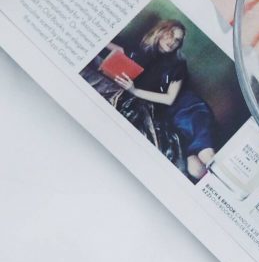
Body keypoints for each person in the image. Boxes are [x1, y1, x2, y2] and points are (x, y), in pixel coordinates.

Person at [85, 19, 217, 181]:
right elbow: (116, 48)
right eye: (170, 35)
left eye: (177, 40)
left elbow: (169, 99)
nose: (172, 42)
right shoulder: (141, 52)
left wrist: (134, 90)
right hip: (170, 119)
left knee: (207, 156)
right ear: (160, 32)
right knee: (195, 171)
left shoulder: (178, 64)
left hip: (188, 110)